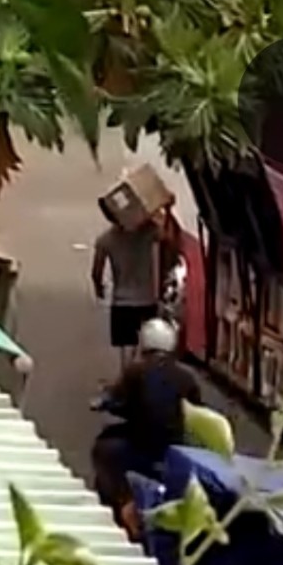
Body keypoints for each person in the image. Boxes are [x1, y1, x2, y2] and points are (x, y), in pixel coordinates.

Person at [90, 316, 203, 534]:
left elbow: (116, 400)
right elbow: (198, 411)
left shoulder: (135, 371)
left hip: (140, 445)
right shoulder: (187, 376)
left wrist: (102, 403)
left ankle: (124, 503)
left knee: (103, 449)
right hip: (176, 448)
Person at [92, 201, 169, 366]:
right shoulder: (149, 232)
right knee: (148, 344)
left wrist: (99, 288)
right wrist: (162, 210)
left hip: (122, 300)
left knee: (127, 345)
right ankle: (145, 378)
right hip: (147, 298)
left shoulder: (106, 240)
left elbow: (96, 271)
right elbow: (167, 238)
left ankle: (128, 379)